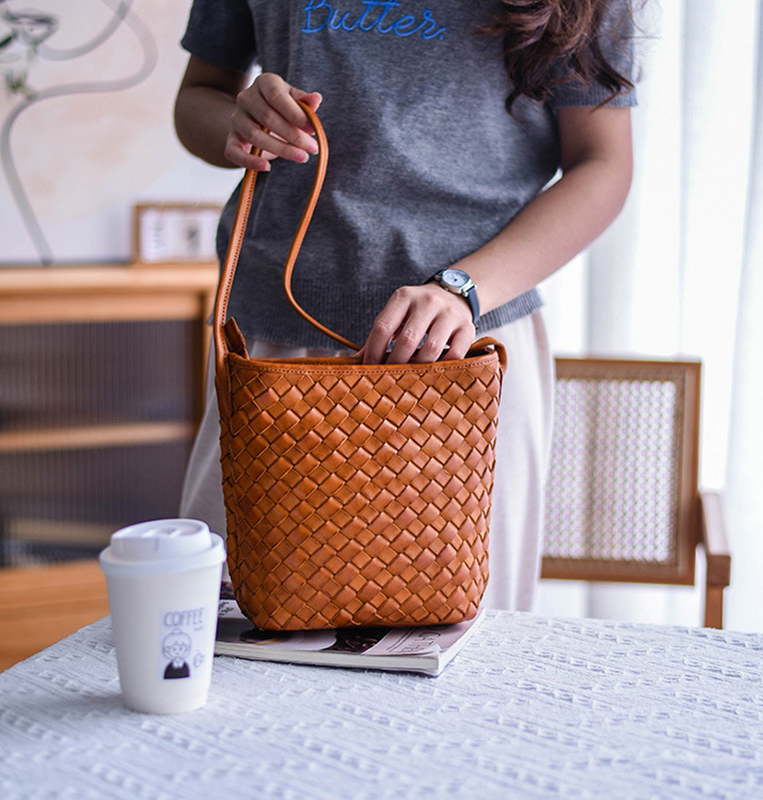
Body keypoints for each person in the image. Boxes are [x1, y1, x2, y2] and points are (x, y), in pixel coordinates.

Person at [174, 0, 637, 612]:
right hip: (270, 350)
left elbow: (603, 164)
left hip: (467, 356)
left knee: (462, 652)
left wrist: (465, 289)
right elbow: (197, 98)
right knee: (224, 635)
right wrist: (240, 119)